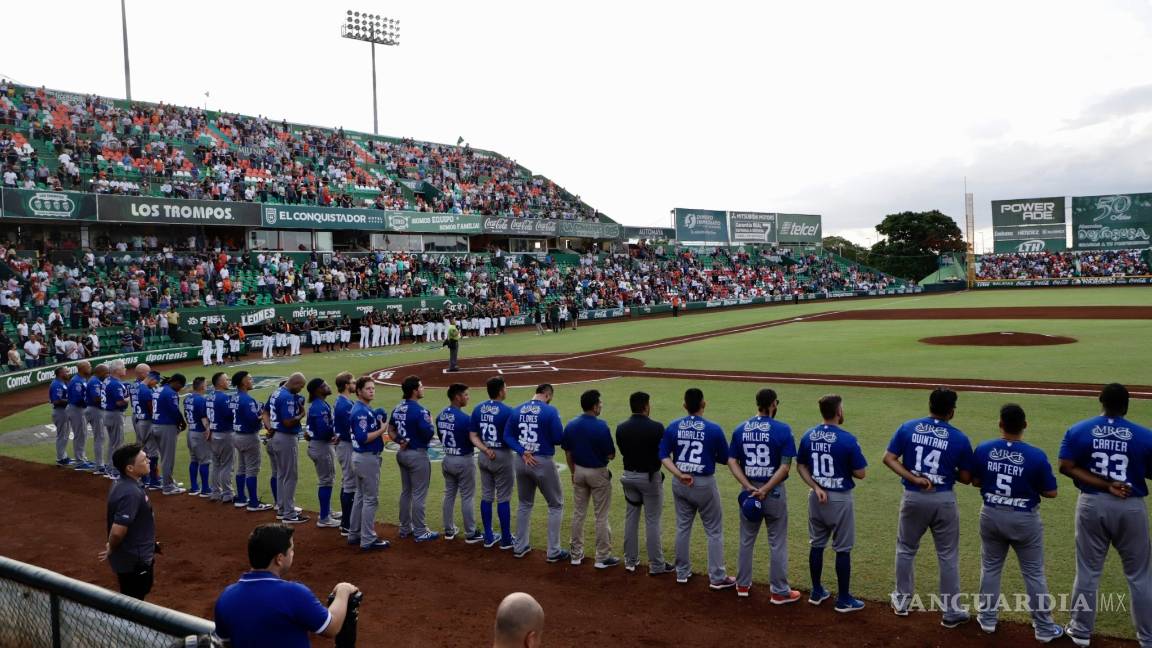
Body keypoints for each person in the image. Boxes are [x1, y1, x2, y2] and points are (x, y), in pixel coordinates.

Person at [1058, 383, 1152, 647]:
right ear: (1127, 406)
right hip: (1131, 506)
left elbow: (1065, 466)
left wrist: (1103, 484)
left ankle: (1080, 631)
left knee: (1088, 571)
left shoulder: (1078, 430)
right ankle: (1147, 638)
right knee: (1139, 575)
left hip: (1091, 504)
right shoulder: (1145, 435)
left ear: (1100, 401)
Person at [969, 404, 1063, 641]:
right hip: (1024, 520)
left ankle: (987, 620)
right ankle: (1044, 629)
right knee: (1033, 573)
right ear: (1025, 425)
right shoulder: (1036, 455)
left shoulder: (984, 448)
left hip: (990, 514)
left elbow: (976, 481)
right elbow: (1051, 492)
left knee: (990, 567)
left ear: (1000, 424)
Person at [884, 388, 974, 625]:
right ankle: (951, 612)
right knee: (947, 555)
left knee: (906, 549)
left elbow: (889, 458)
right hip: (944, 499)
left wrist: (913, 478)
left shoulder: (908, 427)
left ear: (930, 405)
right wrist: (947, 471)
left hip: (913, 497)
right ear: (951, 411)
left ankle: (901, 601)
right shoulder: (959, 437)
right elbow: (966, 478)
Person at [213, 523, 359, 647]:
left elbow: (224, 643)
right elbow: (331, 627)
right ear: (279, 559)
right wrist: (343, 591)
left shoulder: (226, 597)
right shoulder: (293, 594)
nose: (293, 553)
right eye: (291, 550)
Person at [726, 388, 799, 602]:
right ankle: (779, 591)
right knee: (777, 542)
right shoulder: (783, 429)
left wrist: (748, 486)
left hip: (749, 493)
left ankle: (742, 585)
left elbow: (732, 461)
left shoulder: (741, 429)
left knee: (746, 539)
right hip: (773, 492)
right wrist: (765, 489)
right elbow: (785, 467)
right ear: (773, 404)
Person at [796, 394, 868, 612]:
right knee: (843, 549)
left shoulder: (808, 435)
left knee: (817, 544)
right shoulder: (847, 439)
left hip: (816, 497)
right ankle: (844, 599)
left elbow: (800, 466)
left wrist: (816, 486)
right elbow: (861, 473)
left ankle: (817, 591)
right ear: (838, 412)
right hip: (840, 499)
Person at [658, 387, 735, 590]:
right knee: (714, 531)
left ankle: (682, 572)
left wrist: (679, 474)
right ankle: (717, 577)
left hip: (680, 483)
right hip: (704, 484)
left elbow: (663, 455)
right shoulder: (714, 429)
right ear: (703, 404)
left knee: (683, 527)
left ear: (684, 405)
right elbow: (725, 458)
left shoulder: (673, 426)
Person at [504, 383, 568, 563]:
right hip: (542, 461)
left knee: (524, 504)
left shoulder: (517, 410)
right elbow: (558, 438)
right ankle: (553, 551)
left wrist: (522, 450)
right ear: (547, 395)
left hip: (521, 460)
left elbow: (507, 436)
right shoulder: (550, 411)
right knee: (555, 505)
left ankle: (520, 546)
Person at [615, 391, 673, 575]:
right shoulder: (657, 427)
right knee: (652, 521)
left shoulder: (621, 428)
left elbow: (623, 451)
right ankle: (657, 565)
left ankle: (630, 561)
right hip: (649, 479)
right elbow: (662, 453)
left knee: (631, 518)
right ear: (646, 406)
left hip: (628, 477)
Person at [562, 389, 618, 568]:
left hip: (578, 471)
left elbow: (568, 452)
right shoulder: (601, 426)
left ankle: (575, 555)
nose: (601, 405)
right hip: (598, 473)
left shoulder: (571, 424)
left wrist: (573, 472)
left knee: (578, 514)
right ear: (594, 407)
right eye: (600, 403)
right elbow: (611, 454)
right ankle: (602, 557)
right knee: (601, 516)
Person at [99, 443, 158, 600]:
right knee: (134, 600)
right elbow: (117, 532)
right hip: (135, 561)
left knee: (133, 596)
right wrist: (111, 546)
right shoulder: (130, 493)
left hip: (132, 555)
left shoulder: (122, 483)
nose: (148, 461)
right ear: (130, 468)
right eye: (144, 460)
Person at [389, 375, 439, 542]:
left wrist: (400, 441)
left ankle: (404, 528)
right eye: (421, 386)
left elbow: (390, 430)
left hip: (402, 454)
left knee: (406, 492)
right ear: (414, 391)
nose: (423, 389)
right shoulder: (420, 411)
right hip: (417, 455)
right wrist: (430, 423)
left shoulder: (397, 408)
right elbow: (428, 433)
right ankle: (420, 531)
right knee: (418, 494)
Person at [470, 376, 516, 549]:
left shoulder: (478, 408)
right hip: (502, 456)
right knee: (503, 498)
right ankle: (506, 539)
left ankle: (488, 537)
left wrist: (485, 449)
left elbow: (473, 435)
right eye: (505, 387)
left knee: (487, 495)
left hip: (483, 456)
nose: (506, 390)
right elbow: (513, 437)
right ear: (500, 391)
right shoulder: (508, 411)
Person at [347, 375, 391, 551]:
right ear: (359, 391)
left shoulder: (363, 409)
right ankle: (368, 539)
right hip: (366, 458)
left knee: (360, 496)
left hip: (360, 457)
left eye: (373, 388)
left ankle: (354, 534)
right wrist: (382, 430)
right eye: (368, 388)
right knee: (370, 499)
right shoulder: (360, 412)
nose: (372, 391)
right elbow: (363, 438)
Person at [437, 382, 483, 542]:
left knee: (449, 494)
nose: (468, 397)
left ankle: (449, 530)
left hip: (447, 459)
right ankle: (471, 533)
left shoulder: (440, 415)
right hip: (463, 460)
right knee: (467, 496)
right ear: (457, 397)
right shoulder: (465, 419)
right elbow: (473, 440)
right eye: (465, 395)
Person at [269, 373, 309, 524]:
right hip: (286, 437)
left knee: (281, 474)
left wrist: (270, 427)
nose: (301, 389)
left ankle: (282, 508)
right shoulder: (287, 397)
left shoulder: (277, 392)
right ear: (295, 383)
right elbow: (288, 422)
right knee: (290, 476)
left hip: (276, 436)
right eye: (301, 386)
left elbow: (265, 411)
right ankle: (289, 513)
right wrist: (302, 414)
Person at [232, 371, 274, 512]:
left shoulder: (234, 397)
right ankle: (254, 503)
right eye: (250, 379)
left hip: (236, 435)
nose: (252, 381)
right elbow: (253, 420)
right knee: (252, 470)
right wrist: (262, 415)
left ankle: (241, 498)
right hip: (249, 437)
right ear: (243, 382)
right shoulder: (247, 400)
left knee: (241, 467)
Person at [305, 377, 341, 528]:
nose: (328, 386)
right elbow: (323, 430)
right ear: (318, 390)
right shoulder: (319, 406)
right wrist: (335, 435)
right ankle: (324, 517)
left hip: (317, 445)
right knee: (326, 481)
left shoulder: (318, 404)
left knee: (326, 479)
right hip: (321, 446)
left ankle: (327, 511)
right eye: (324, 385)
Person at [153, 373, 188, 495]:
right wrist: (182, 423)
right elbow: (174, 411)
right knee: (168, 458)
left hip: (156, 424)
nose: (180, 389)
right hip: (166, 427)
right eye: (180, 386)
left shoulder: (159, 389)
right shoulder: (170, 393)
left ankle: (168, 481)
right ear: (176, 382)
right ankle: (168, 487)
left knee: (164, 456)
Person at [333, 371, 358, 536]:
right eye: (353, 382)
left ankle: (346, 522)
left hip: (343, 444)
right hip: (346, 445)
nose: (355, 384)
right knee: (350, 483)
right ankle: (347, 524)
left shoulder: (343, 401)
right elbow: (351, 430)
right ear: (346, 385)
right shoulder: (345, 405)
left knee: (348, 481)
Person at [207, 372, 236, 504]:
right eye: (226, 379)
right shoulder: (224, 397)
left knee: (216, 464)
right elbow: (230, 415)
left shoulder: (209, 396)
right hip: (225, 433)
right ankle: (227, 493)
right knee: (227, 465)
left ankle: (215, 492)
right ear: (219, 383)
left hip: (213, 433)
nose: (228, 381)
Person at [101, 361, 130, 480]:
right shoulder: (115, 384)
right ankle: (115, 470)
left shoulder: (107, 380)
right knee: (118, 444)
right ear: (117, 371)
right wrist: (129, 397)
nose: (125, 369)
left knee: (112, 443)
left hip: (108, 413)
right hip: (115, 414)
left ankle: (109, 467)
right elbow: (120, 402)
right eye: (123, 367)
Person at [183, 376, 211, 497]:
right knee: (205, 461)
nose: (207, 386)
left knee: (194, 459)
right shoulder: (201, 400)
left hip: (190, 431)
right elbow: (204, 419)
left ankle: (194, 487)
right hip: (200, 432)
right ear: (202, 386)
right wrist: (208, 430)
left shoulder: (187, 399)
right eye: (206, 384)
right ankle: (205, 489)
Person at [68, 361, 93, 470]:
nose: (91, 368)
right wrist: (90, 401)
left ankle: (82, 458)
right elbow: (78, 399)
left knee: (82, 434)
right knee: (80, 435)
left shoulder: (81, 379)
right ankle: (80, 461)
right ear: (83, 368)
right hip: (77, 410)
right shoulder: (77, 381)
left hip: (79, 409)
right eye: (89, 366)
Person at [86, 364, 109, 475]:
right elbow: (96, 398)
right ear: (100, 372)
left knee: (100, 437)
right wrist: (110, 398)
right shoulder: (94, 382)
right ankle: (99, 466)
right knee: (99, 438)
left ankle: (100, 464)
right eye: (106, 373)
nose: (108, 375)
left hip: (94, 410)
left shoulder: (95, 380)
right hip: (95, 410)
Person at [50, 366, 72, 466]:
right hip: (60, 412)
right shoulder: (57, 384)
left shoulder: (62, 383)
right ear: (60, 374)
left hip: (64, 411)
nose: (69, 373)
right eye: (66, 372)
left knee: (65, 435)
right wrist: (71, 400)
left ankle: (63, 456)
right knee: (62, 436)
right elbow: (56, 401)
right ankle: (60, 459)